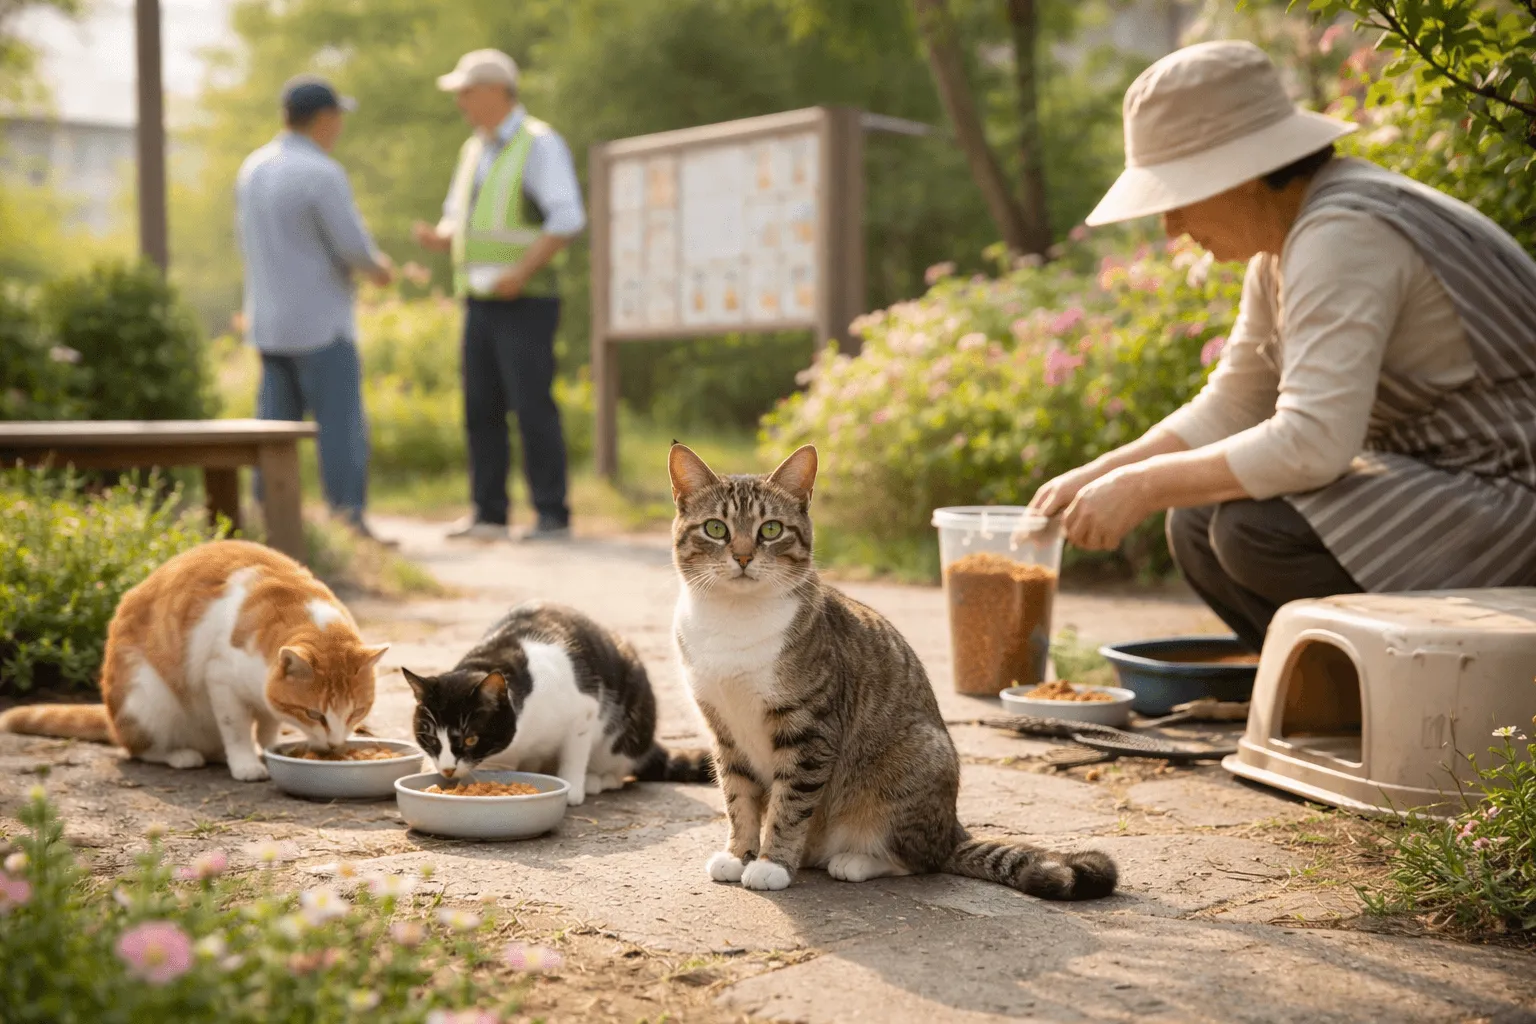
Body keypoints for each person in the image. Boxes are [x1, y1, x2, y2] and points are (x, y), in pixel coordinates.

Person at [1030, 40, 1536, 652]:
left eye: (1176, 200)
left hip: (1510, 495)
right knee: (1193, 521)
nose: (1171, 229)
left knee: (1252, 530)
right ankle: (1320, 695)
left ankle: (1390, 694)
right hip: (1447, 484)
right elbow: (1238, 402)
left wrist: (1143, 486)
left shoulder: (1345, 234)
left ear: (1241, 174)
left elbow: (1314, 443)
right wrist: (1109, 471)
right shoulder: (1290, 237)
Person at [413, 49, 586, 542]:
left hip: (527, 300)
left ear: (494, 91)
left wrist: (521, 271)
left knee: (532, 406)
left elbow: (567, 219)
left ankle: (552, 514)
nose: (461, 102)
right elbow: (460, 218)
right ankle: (488, 514)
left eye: (466, 91)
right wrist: (441, 237)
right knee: (479, 406)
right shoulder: (474, 149)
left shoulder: (539, 144)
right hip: (480, 300)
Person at [236, 75, 395, 544]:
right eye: (337, 117)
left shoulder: (253, 168)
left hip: (269, 322)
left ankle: (266, 523)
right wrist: (380, 269)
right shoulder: (322, 173)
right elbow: (353, 247)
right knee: (340, 427)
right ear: (324, 119)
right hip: (322, 325)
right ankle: (348, 522)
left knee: (273, 430)